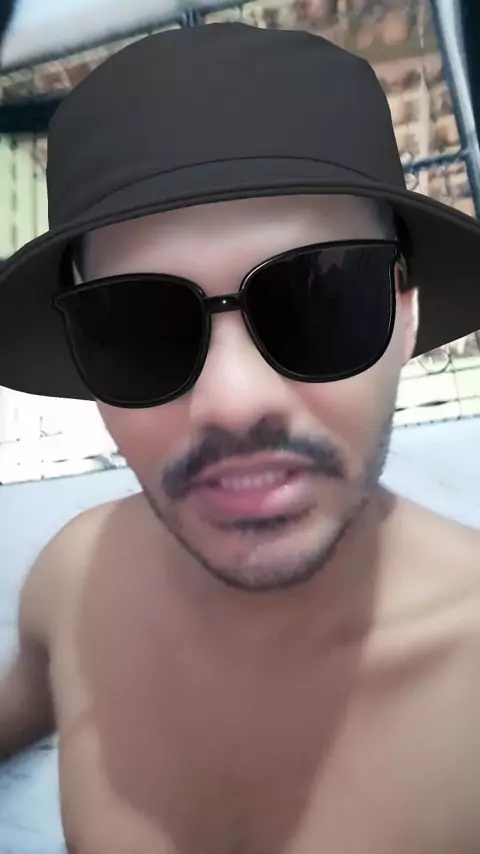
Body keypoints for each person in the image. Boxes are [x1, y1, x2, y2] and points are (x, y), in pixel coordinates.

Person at [0, 22, 480, 854]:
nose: (231, 402)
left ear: (406, 314)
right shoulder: (74, 578)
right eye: (137, 326)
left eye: (321, 298)